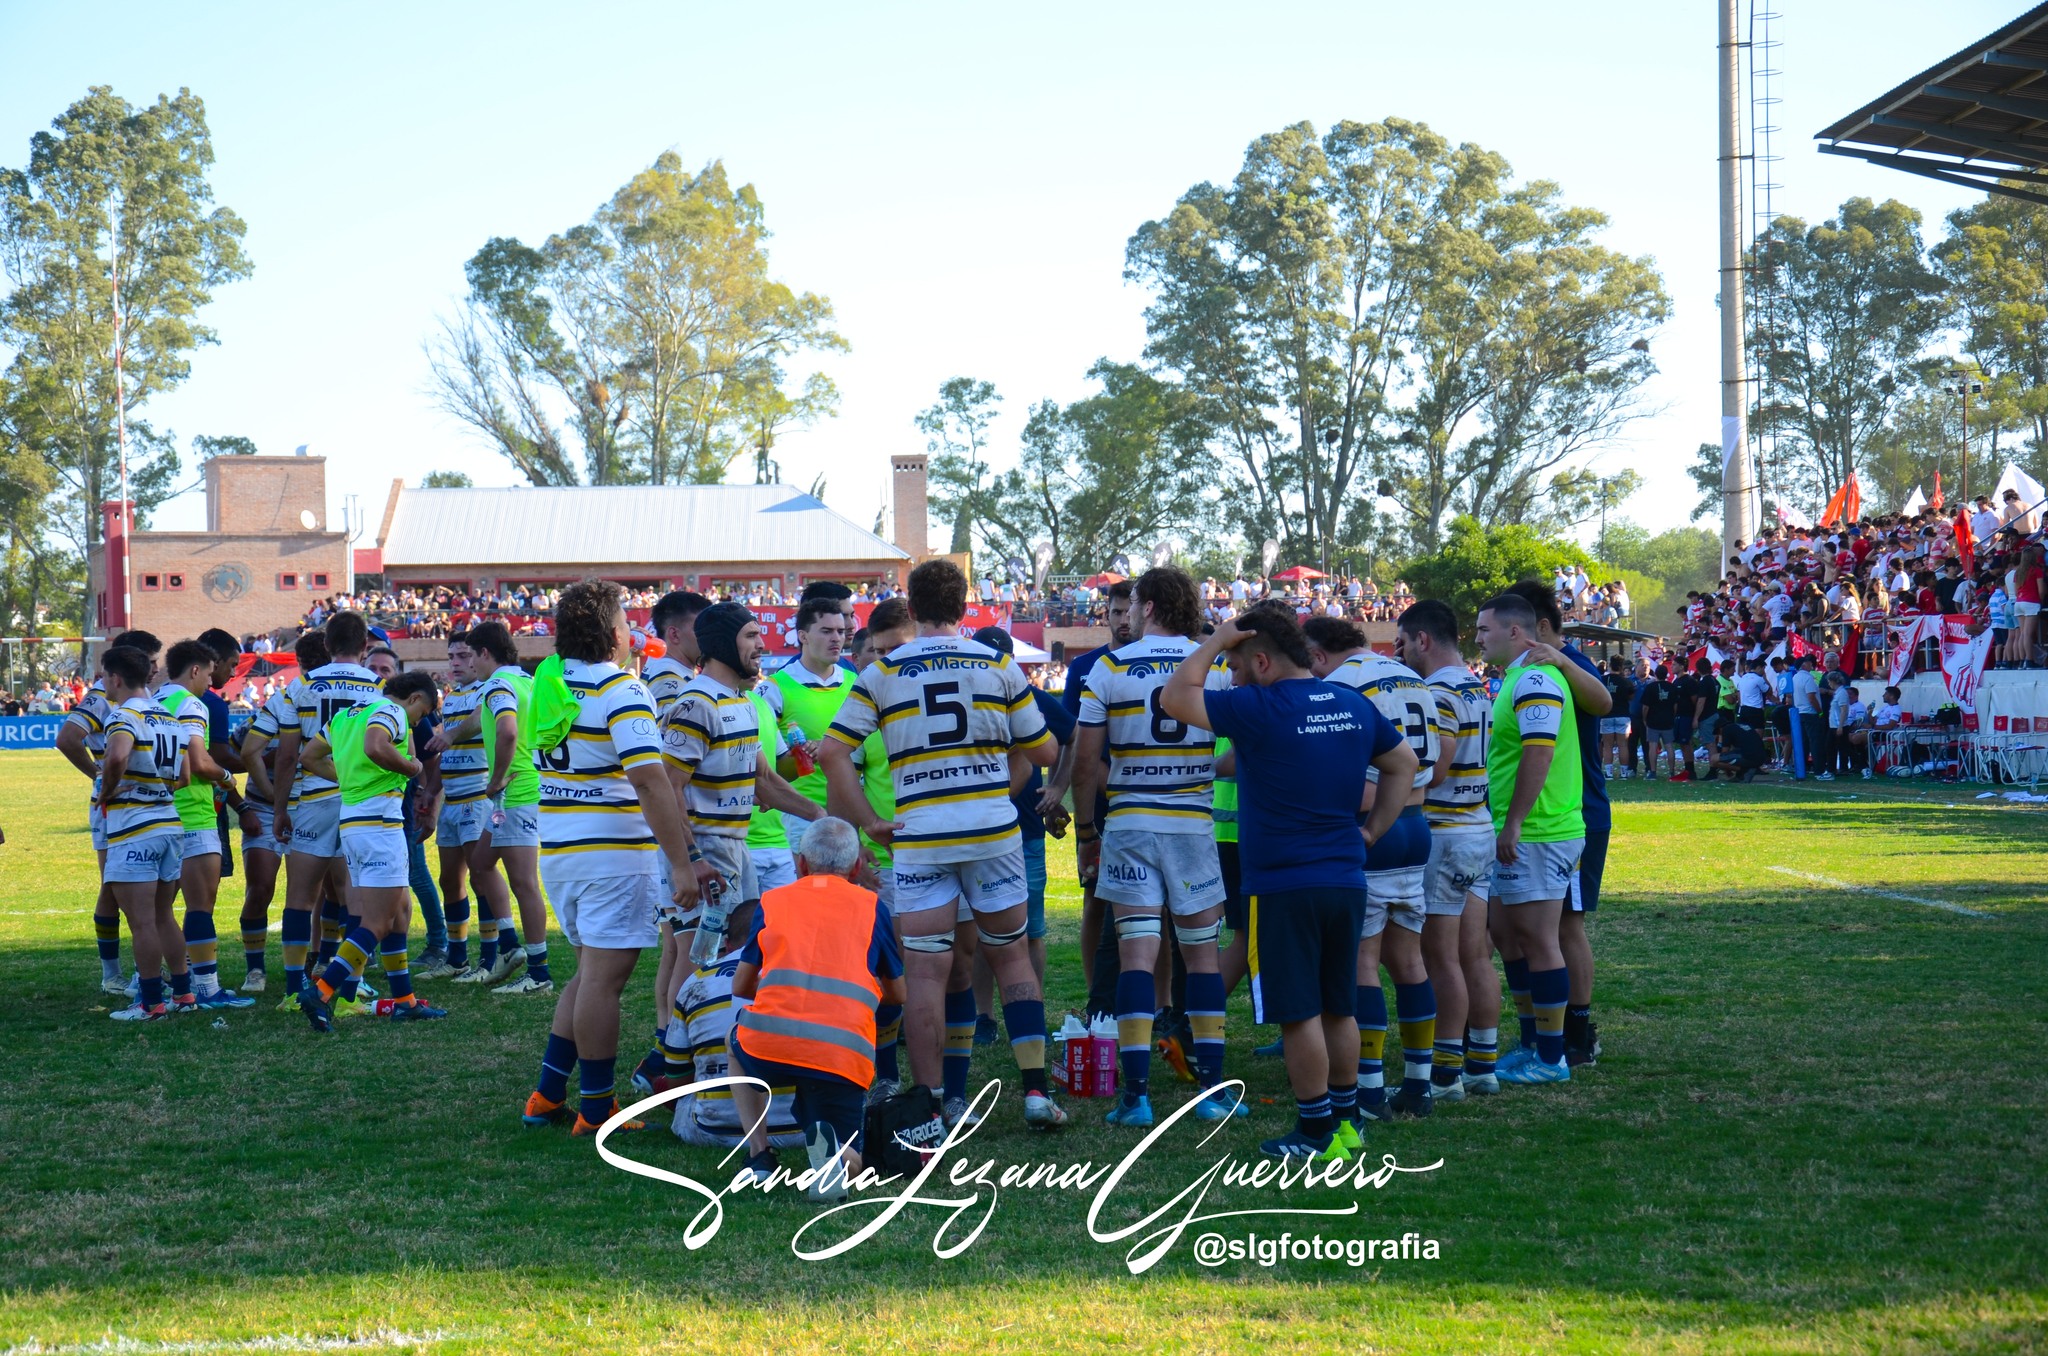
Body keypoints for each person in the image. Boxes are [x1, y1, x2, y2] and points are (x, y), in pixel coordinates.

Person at [1161, 602, 1416, 1162]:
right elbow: (1405, 764)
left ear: (1260, 660)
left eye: (1233, 664)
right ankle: (1347, 1124)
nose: (1228, 675)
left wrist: (1213, 640)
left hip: (1283, 884)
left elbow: (1174, 697)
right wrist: (1372, 831)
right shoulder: (1349, 702)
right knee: (1338, 1005)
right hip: (1346, 876)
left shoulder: (1261, 705)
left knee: (1298, 1011)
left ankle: (1315, 1132)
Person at [821, 558, 1065, 1132]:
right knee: (1010, 957)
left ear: (910, 609)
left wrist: (870, 822)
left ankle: (929, 1106)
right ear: (964, 607)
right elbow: (1047, 750)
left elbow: (833, 753)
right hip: (991, 834)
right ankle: (1035, 1092)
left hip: (920, 837)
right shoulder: (999, 664)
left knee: (926, 974)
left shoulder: (881, 672)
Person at [521, 578, 698, 1136]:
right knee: (604, 983)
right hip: (613, 855)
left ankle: (547, 1096)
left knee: (588, 975)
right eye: (626, 620)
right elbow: (650, 782)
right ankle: (596, 1109)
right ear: (614, 630)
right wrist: (681, 861)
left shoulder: (549, 683)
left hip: (563, 849)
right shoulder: (619, 690)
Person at [1073, 567, 1240, 1128]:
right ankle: (1214, 1091)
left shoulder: (1111, 665)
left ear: (1145, 606)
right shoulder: (1212, 666)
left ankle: (1137, 1096)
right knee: (1200, 958)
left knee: (1137, 958)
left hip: (1131, 823)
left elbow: (1085, 757)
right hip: (1191, 824)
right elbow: (1247, 747)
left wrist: (1087, 833)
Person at [639, 603, 821, 1092]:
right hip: (707, 850)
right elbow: (669, 787)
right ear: (722, 645)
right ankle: (671, 1067)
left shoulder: (740, 701)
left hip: (734, 848)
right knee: (698, 956)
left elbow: (764, 781)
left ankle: (692, 1059)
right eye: (750, 637)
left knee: (727, 953)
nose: (761, 645)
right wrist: (691, 860)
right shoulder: (696, 704)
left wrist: (823, 818)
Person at [1302, 614, 1440, 1122]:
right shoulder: (1411, 676)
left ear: (1317, 655)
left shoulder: (1340, 684)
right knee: (1409, 961)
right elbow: (1435, 758)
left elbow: (1340, 773)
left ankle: (1371, 1088)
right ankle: (1420, 1085)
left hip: (1371, 826)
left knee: (1362, 963)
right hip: (1418, 823)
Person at [728, 818, 907, 1201]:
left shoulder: (772, 902)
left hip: (771, 1040)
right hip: (842, 1051)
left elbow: (741, 986)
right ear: (857, 867)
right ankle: (837, 1163)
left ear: (801, 864)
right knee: (851, 1149)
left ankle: (758, 1155)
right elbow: (899, 993)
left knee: (736, 1044)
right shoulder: (873, 907)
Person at [294, 671, 447, 1030]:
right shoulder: (390, 711)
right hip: (380, 825)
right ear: (412, 698)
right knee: (377, 922)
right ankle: (323, 991)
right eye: (422, 712)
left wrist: (348, 779)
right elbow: (376, 746)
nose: (419, 721)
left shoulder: (347, 714)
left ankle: (404, 1000)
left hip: (354, 824)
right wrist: (413, 767)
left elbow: (310, 756)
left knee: (399, 911)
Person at [1473, 592, 1583, 1086]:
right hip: (1522, 828)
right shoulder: (1515, 679)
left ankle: (1552, 1057)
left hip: (1540, 829)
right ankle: (1533, 1041)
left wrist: (1515, 821)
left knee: (1538, 939)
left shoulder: (1536, 678)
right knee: (1505, 935)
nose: (1477, 638)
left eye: (1484, 630)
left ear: (1515, 632)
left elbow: (1539, 753)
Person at [1394, 600, 1502, 1100]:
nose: (1400, 650)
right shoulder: (1476, 684)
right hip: (1477, 823)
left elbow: (1435, 768)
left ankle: (1445, 1073)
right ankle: (1482, 1063)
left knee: (1441, 957)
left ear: (1423, 640)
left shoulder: (1436, 691)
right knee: (1473, 954)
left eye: (1403, 641)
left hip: (1447, 828)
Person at [1501, 582, 1611, 1071]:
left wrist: (1564, 660)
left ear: (1538, 627)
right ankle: (1542, 1035)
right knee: (1522, 929)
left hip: (1572, 809)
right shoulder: (1526, 670)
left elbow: (1604, 704)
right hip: (1548, 812)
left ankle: (1577, 1036)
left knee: (1566, 926)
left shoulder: (1564, 664)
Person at [967, 626, 1074, 1049]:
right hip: (977, 830)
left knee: (1031, 931)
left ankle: (1033, 1011)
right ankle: (983, 1016)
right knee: (979, 932)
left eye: (1001, 657)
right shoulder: (965, 694)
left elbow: (1072, 734)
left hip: (1022, 830)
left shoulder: (1030, 696)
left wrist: (1058, 786)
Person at [273, 612, 384, 1008]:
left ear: (325, 645)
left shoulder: (300, 687)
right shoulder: (379, 688)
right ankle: (350, 992)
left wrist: (280, 809)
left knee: (299, 898)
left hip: (313, 801)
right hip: (358, 802)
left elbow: (287, 757)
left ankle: (291, 991)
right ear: (365, 646)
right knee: (356, 901)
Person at [57, 629, 161, 995]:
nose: (154, 668)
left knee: (142, 892)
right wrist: (101, 777)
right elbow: (67, 738)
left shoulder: (146, 699)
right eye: (150, 660)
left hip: (147, 807)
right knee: (116, 889)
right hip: (115, 806)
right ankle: (116, 974)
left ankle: (145, 973)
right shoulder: (103, 697)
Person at [155, 639, 256, 1009]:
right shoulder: (190, 703)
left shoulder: (153, 702)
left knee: (160, 911)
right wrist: (227, 777)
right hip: (194, 815)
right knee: (200, 907)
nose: (211, 682)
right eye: (209, 674)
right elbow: (200, 762)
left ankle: (159, 984)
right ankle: (207, 988)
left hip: (158, 814)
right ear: (195, 670)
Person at [99, 645, 196, 1021]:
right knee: (163, 915)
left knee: (140, 920)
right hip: (170, 824)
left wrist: (108, 790)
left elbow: (119, 755)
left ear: (116, 678)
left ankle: (151, 1002)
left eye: (105, 676)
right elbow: (185, 776)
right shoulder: (169, 717)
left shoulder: (124, 715)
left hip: (135, 828)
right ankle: (184, 994)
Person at [460, 621, 552, 994]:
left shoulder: (498, 684)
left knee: (524, 883)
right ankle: (511, 946)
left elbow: (508, 730)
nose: (468, 665)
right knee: (480, 865)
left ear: (485, 653)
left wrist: (496, 777)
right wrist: (450, 734)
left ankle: (540, 973)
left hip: (517, 791)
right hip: (517, 793)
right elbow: (486, 720)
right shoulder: (524, 682)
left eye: (470, 656)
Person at [1058, 581, 1136, 1019]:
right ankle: (1096, 999)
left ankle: (1161, 1002)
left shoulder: (1157, 663)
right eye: (1116, 611)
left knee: (1155, 911)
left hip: (1145, 799)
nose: (1123, 620)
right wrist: (1057, 790)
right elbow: (1070, 739)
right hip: (1100, 802)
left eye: (1130, 611)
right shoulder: (1085, 667)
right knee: (1096, 898)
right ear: (1105, 613)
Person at [237, 631, 324, 995]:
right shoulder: (285, 699)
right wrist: (274, 798)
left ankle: (313, 963)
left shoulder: (326, 697)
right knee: (269, 889)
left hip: (310, 803)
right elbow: (246, 749)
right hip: (281, 804)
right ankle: (258, 969)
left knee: (313, 893)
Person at [417, 631, 485, 980]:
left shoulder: (486, 689)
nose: (456, 663)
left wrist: (450, 734)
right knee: (449, 879)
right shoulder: (453, 696)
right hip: (452, 798)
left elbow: (476, 723)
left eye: (463, 655)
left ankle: (490, 957)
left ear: (480, 656)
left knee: (482, 877)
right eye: (451, 657)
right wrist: (431, 791)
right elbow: (449, 753)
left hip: (478, 796)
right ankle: (457, 957)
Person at [1639, 664, 1679, 780]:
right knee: (1669, 746)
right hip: (1667, 720)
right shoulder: (1672, 687)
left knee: (1652, 746)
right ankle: (1671, 772)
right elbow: (1675, 706)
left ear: (1655, 674)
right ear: (1666, 675)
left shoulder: (1650, 687)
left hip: (1653, 720)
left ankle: (1652, 772)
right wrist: (1672, 716)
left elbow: (1645, 707)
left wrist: (1645, 719)